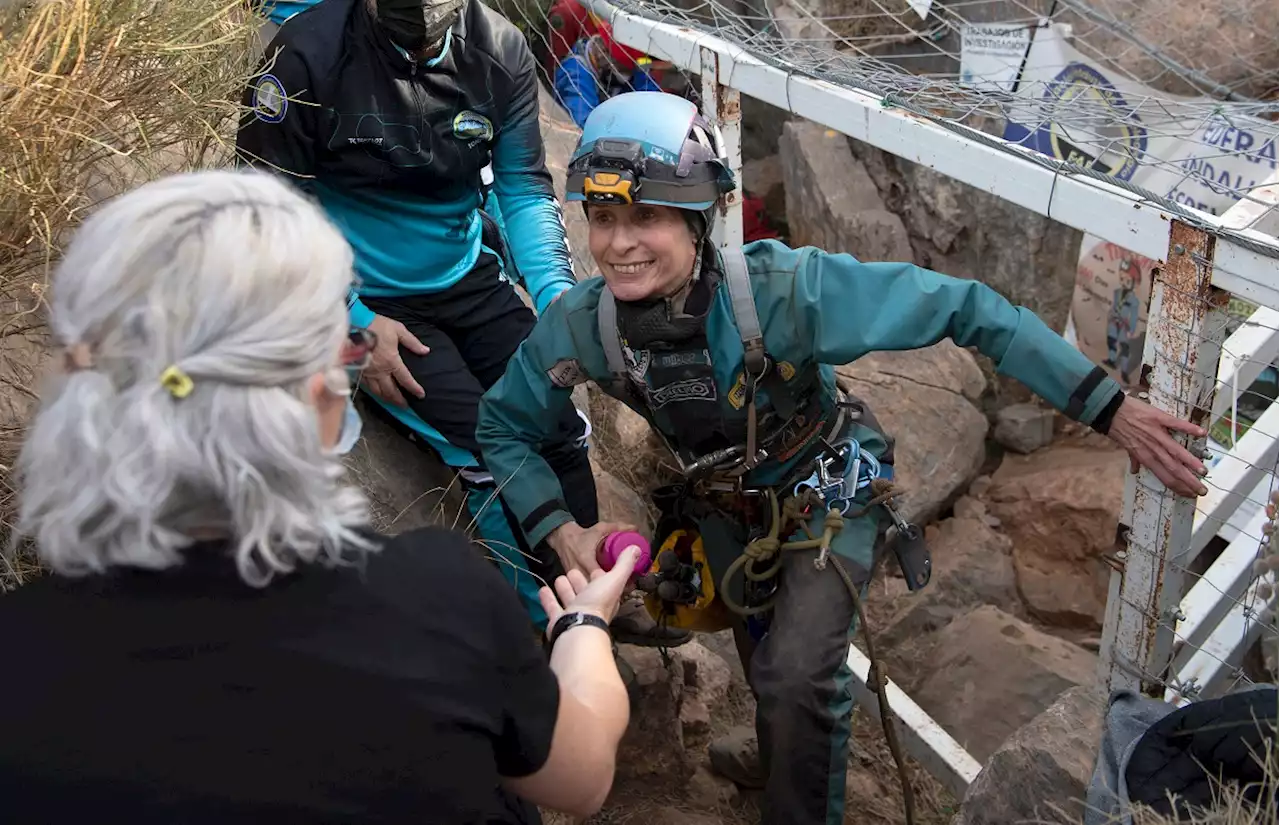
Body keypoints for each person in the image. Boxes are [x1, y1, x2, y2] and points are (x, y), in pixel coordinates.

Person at [474, 91, 1213, 825]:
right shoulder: (587, 326)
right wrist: (560, 529)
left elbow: (967, 306)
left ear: (698, 220)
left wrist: (1108, 408)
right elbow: (502, 423)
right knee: (766, 653)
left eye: (646, 215)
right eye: (603, 218)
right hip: (725, 510)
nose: (619, 243)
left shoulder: (782, 294)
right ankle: (779, 752)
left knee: (798, 677)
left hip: (826, 492)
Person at [0, 169, 636, 825]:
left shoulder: (18, 652)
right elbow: (581, 778)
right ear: (316, 400)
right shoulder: (438, 602)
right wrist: (583, 629)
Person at [234, 0, 688, 647]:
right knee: (482, 442)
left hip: (467, 277)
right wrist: (352, 322)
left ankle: (592, 594)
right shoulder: (304, 54)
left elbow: (523, 190)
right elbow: (262, 212)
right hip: (360, 296)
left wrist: (562, 305)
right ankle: (543, 627)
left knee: (558, 424)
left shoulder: (498, 50)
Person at [553, 20, 663, 128]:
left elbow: (654, 100)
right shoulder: (575, 74)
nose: (629, 75)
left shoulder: (628, 65)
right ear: (607, 58)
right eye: (624, 71)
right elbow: (585, 126)